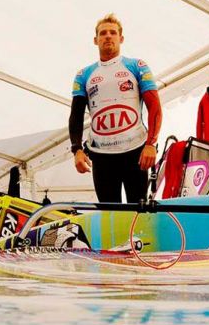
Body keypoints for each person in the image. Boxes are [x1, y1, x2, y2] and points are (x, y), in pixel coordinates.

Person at [69, 14, 162, 202]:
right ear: (95, 40)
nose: (108, 36)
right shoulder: (83, 75)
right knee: (109, 213)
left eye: (113, 32)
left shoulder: (137, 66)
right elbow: (76, 115)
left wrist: (151, 144)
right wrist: (77, 149)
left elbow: (155, 107)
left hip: (135, 151)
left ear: (121, 38)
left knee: (138, 211)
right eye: (103, 33)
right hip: (101, 155)